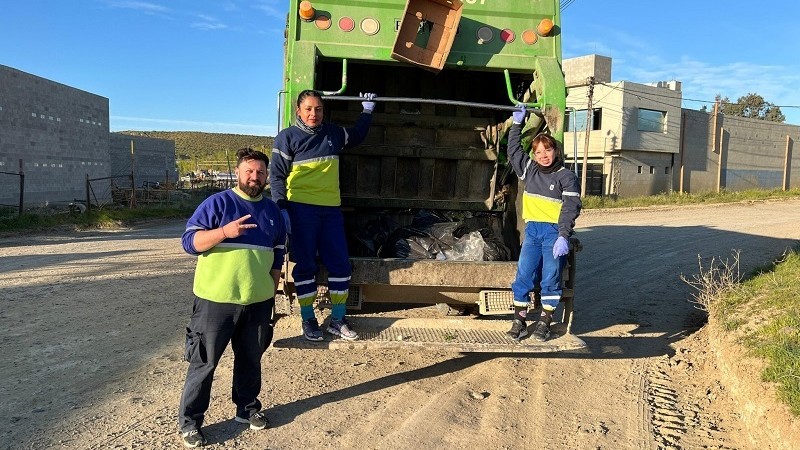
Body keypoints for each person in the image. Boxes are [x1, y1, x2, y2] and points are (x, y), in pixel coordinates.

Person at [177, 148, 287, 448]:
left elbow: (279, 251)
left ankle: (247, 409)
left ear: (266, 175)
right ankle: (190, 423)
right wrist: (224, 231)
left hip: (258, 301)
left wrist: (272, 284)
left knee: (251, 359)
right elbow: (189, 242)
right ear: (238, 173)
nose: (255, 176)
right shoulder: (218, 203)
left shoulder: (273, 212)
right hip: (216, 300)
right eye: (249, 171)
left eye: (260, 172)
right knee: (205, 362)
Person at [269, 89, 376, 341]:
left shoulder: (334, 133)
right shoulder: (287, 138)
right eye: (308, 109)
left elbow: (358, 135)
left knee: (340, 264)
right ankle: (308, 319)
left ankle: (337, 320)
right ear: (298, 111)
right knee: (305, 267)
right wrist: (281, 207)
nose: (313, 114)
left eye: (318, 109)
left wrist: (367, 111)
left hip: (330, 211)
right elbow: (276, 177)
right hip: (300, 210)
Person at [505, 105, 581, 342]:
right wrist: (517, 125)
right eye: (538, 152)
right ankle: (519, 320)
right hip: (533, 231)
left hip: (553, 234)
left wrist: (563, 235)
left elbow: (571, 208)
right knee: (524, 275)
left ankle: (545, 321)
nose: (543, 156)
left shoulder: (566, 177)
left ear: (555, 151)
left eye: (547, 150)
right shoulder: (529, 171)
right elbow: (514, 151)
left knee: (550, 277)